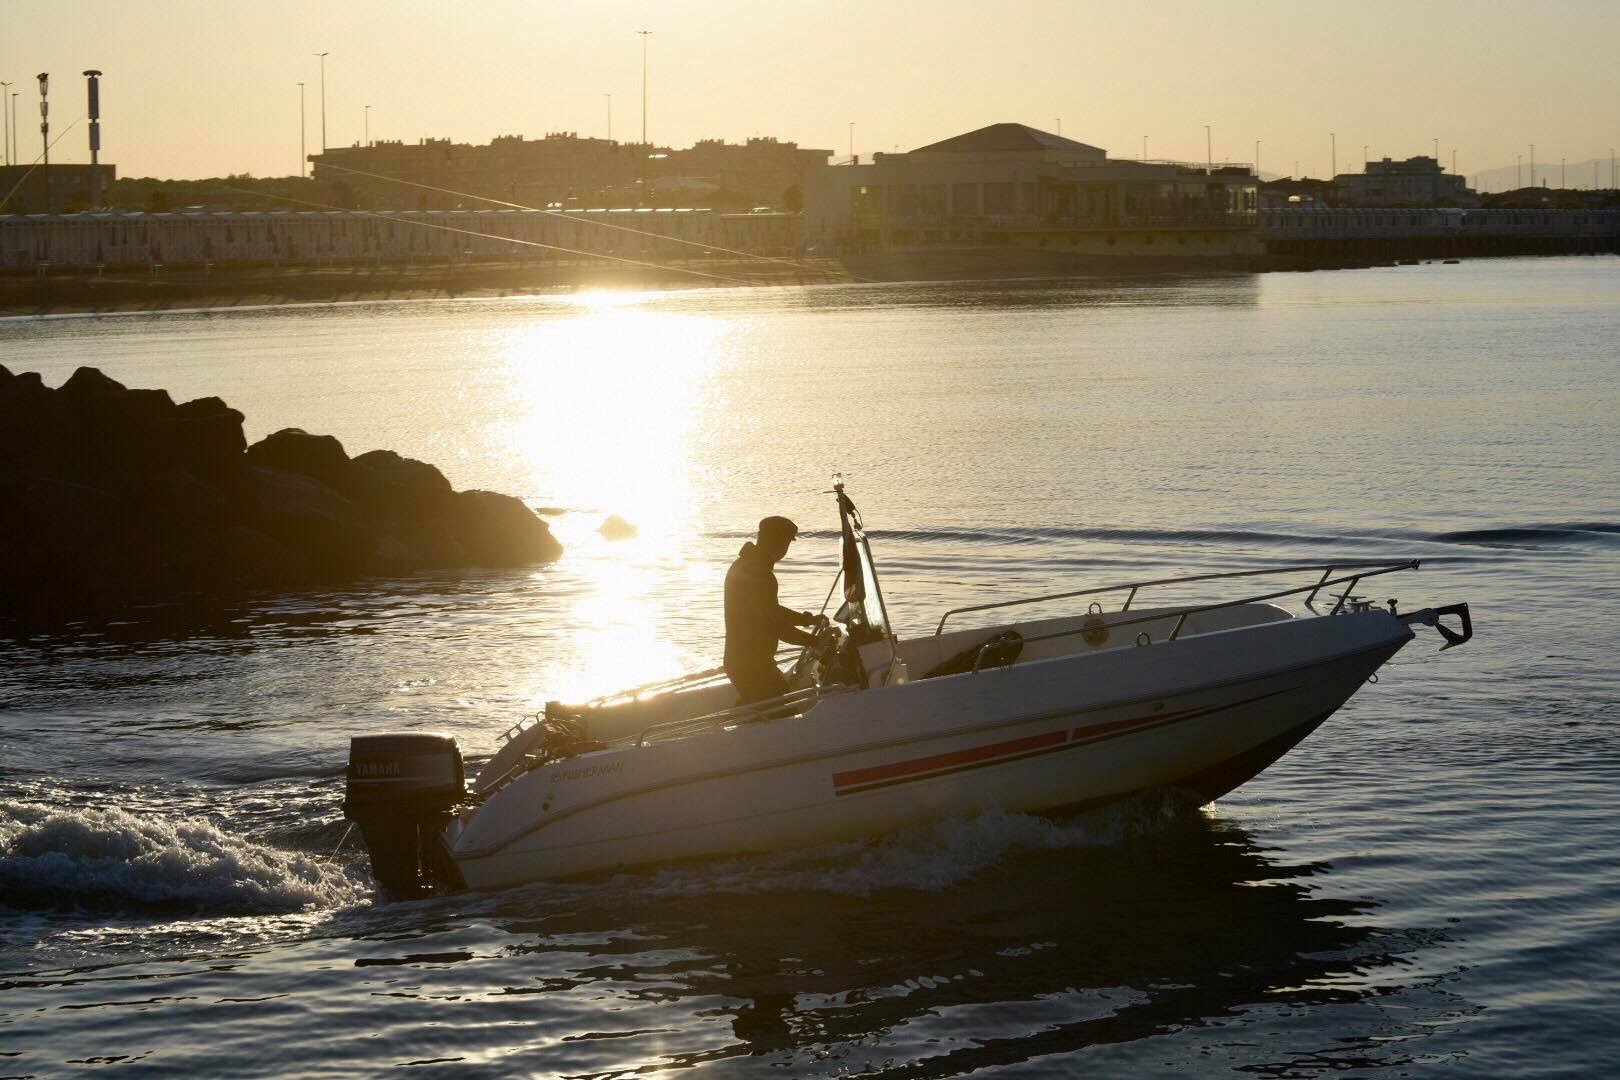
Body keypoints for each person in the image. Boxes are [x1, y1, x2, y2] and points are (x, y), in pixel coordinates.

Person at [724, 515, 822, 705]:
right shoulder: (758, 573)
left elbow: (770, 611)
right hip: (751, 663)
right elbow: (772, 624)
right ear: (779, 544)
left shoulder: (749, 566)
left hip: (746, 660)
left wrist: (805, 620)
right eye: (786, 543)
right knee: (781, 709)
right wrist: (813, 641)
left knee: (760, 708)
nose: (785, 550)